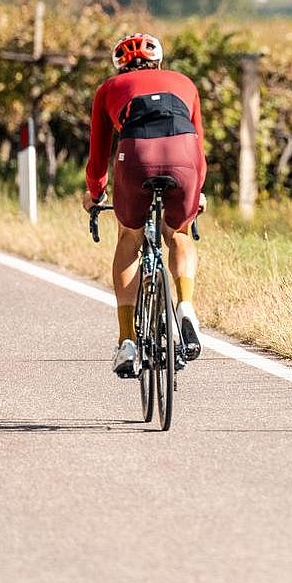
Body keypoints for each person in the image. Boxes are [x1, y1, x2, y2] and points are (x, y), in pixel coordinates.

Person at [83, 32, 205, 377]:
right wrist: (198, 192)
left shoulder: (109, 89)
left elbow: (97, 159)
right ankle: (185, 306)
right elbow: (200, 148)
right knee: (178, 233)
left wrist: (95, 195)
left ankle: (127, 341)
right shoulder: (184, 83)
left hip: (136, 155)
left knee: (129, 238)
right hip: (185, 158)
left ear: (120, 67)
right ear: (159, 62)